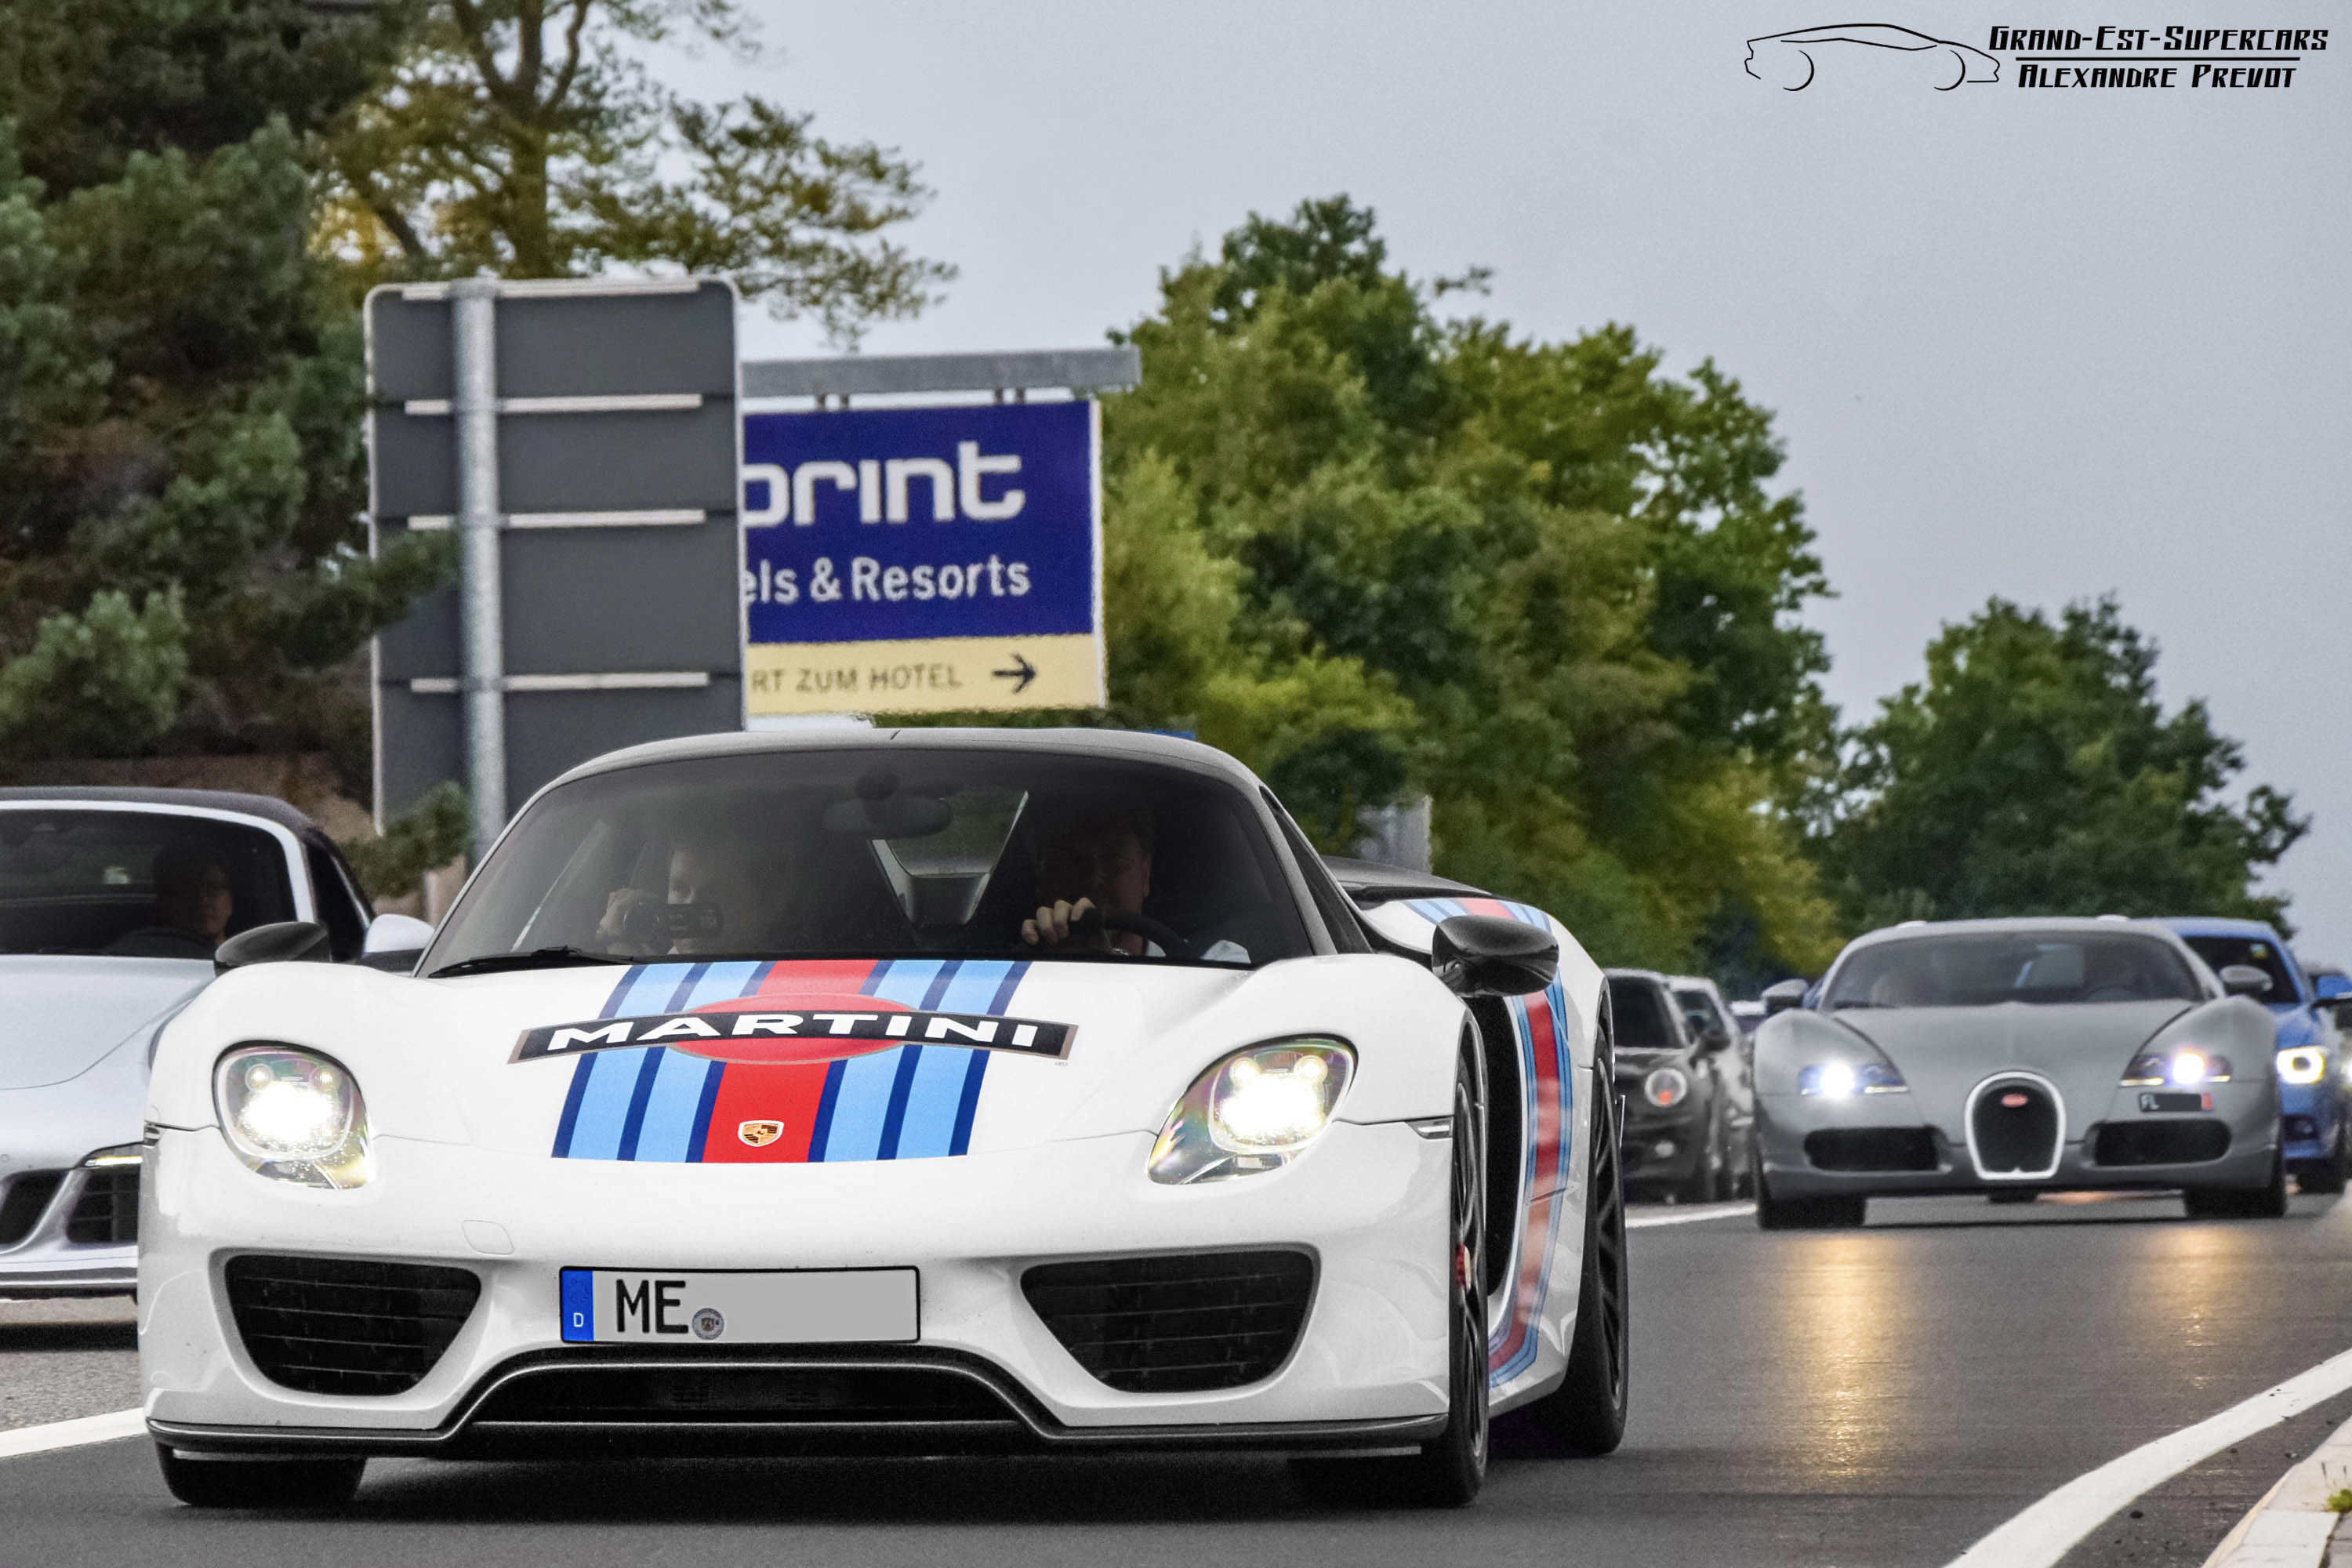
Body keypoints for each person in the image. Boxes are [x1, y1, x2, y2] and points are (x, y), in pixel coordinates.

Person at [1019, 800, 1248, 963]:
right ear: (1043, 879)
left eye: (1112, 859)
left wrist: (1107, 964)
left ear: (1145, 874)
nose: (1094, 878)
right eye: (1072, 862)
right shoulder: (1011, 969)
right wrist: (1040, 958)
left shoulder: (1215, 962)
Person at [596, 829, 769, 957]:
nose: (691, 905)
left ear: (748, 902)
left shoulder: (766, 973)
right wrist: (615, 942)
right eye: (680, 888)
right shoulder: (649, 959)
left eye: (712, 892)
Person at [107, 841, 235, 958]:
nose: (203, 901)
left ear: (231, 901)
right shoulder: (135, 955)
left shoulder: (249, 965)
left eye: (213, 889)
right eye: (188, 891)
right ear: (166, 903)